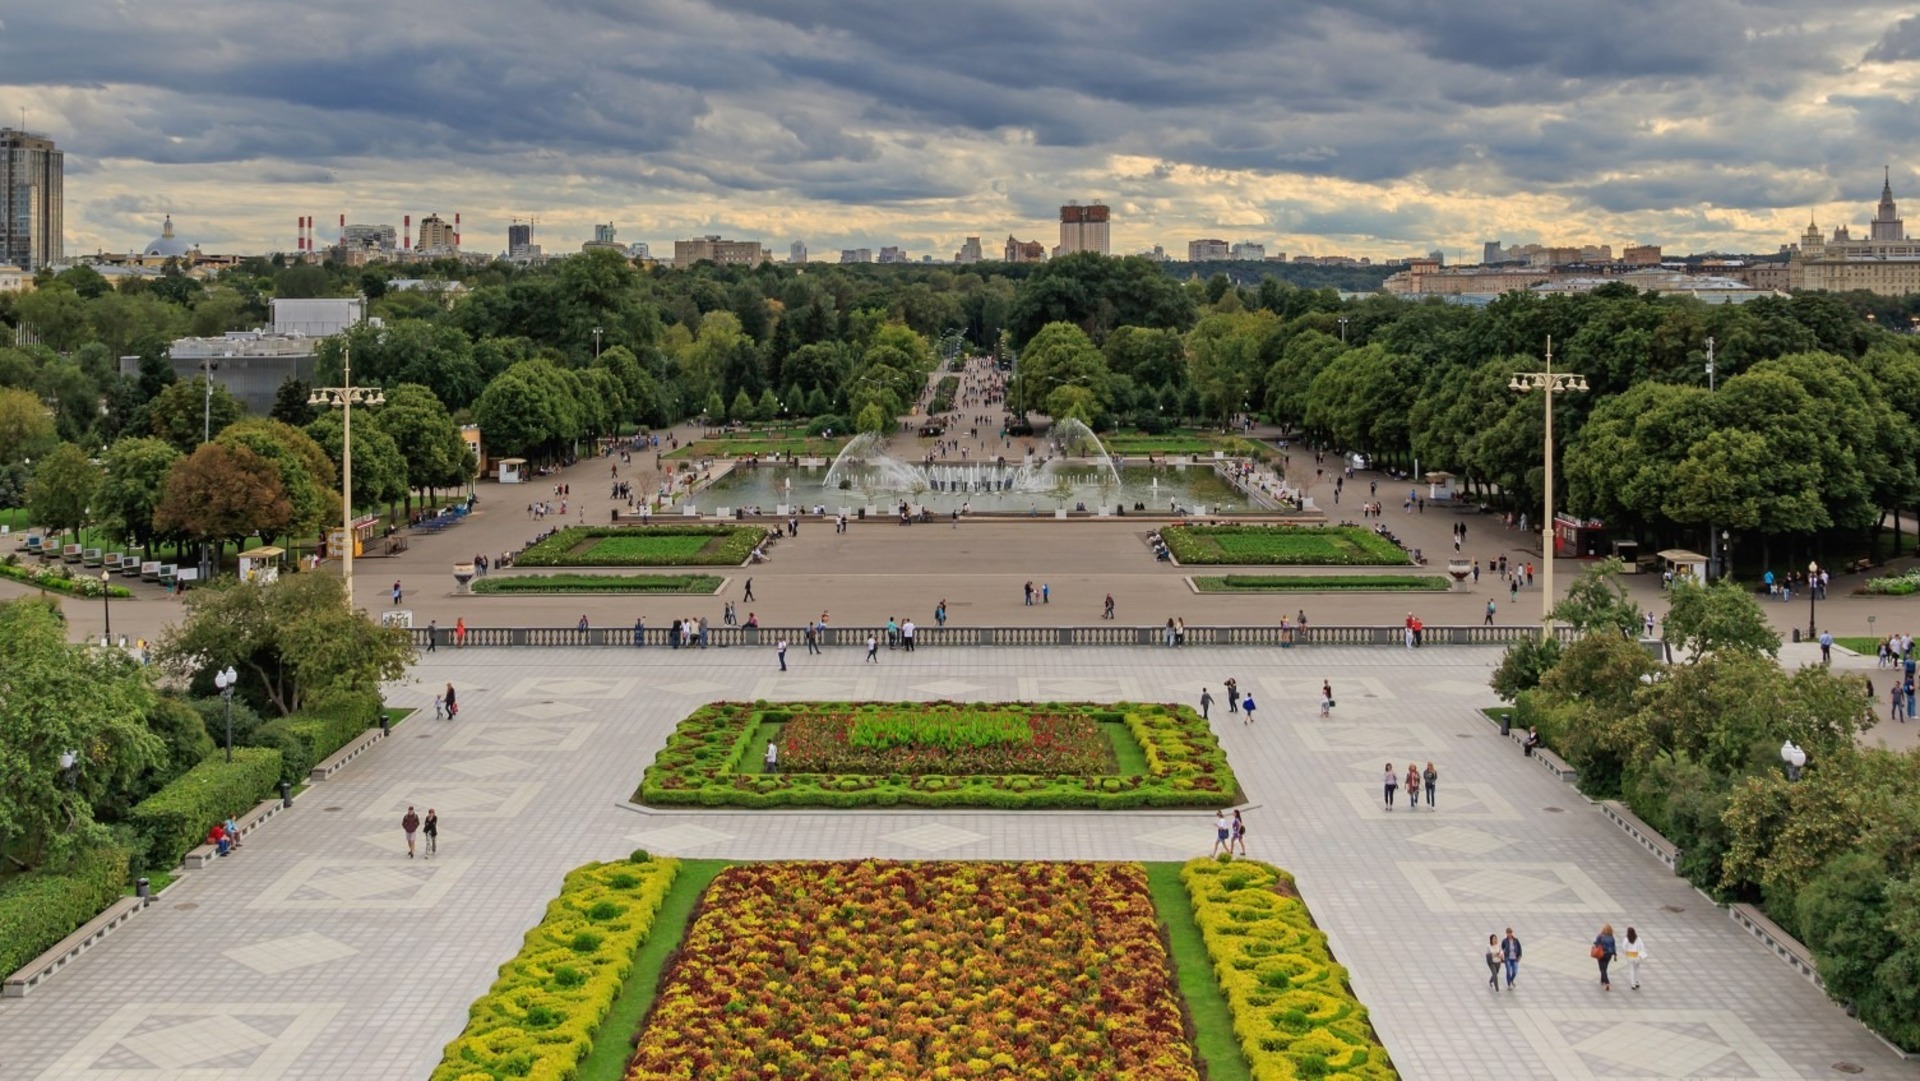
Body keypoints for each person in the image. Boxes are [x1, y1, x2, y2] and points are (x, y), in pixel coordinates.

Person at [1593, 923, 1617, 990]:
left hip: (1601, 954)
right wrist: (1614, 953)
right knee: (1605, 967)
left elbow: (1596, 944)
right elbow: (1614, 946)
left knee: (1602, 969)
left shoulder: (1600, 936)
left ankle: (1607, 982)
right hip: (1609, 955)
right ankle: (1602, 980)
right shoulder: (1612, 937)